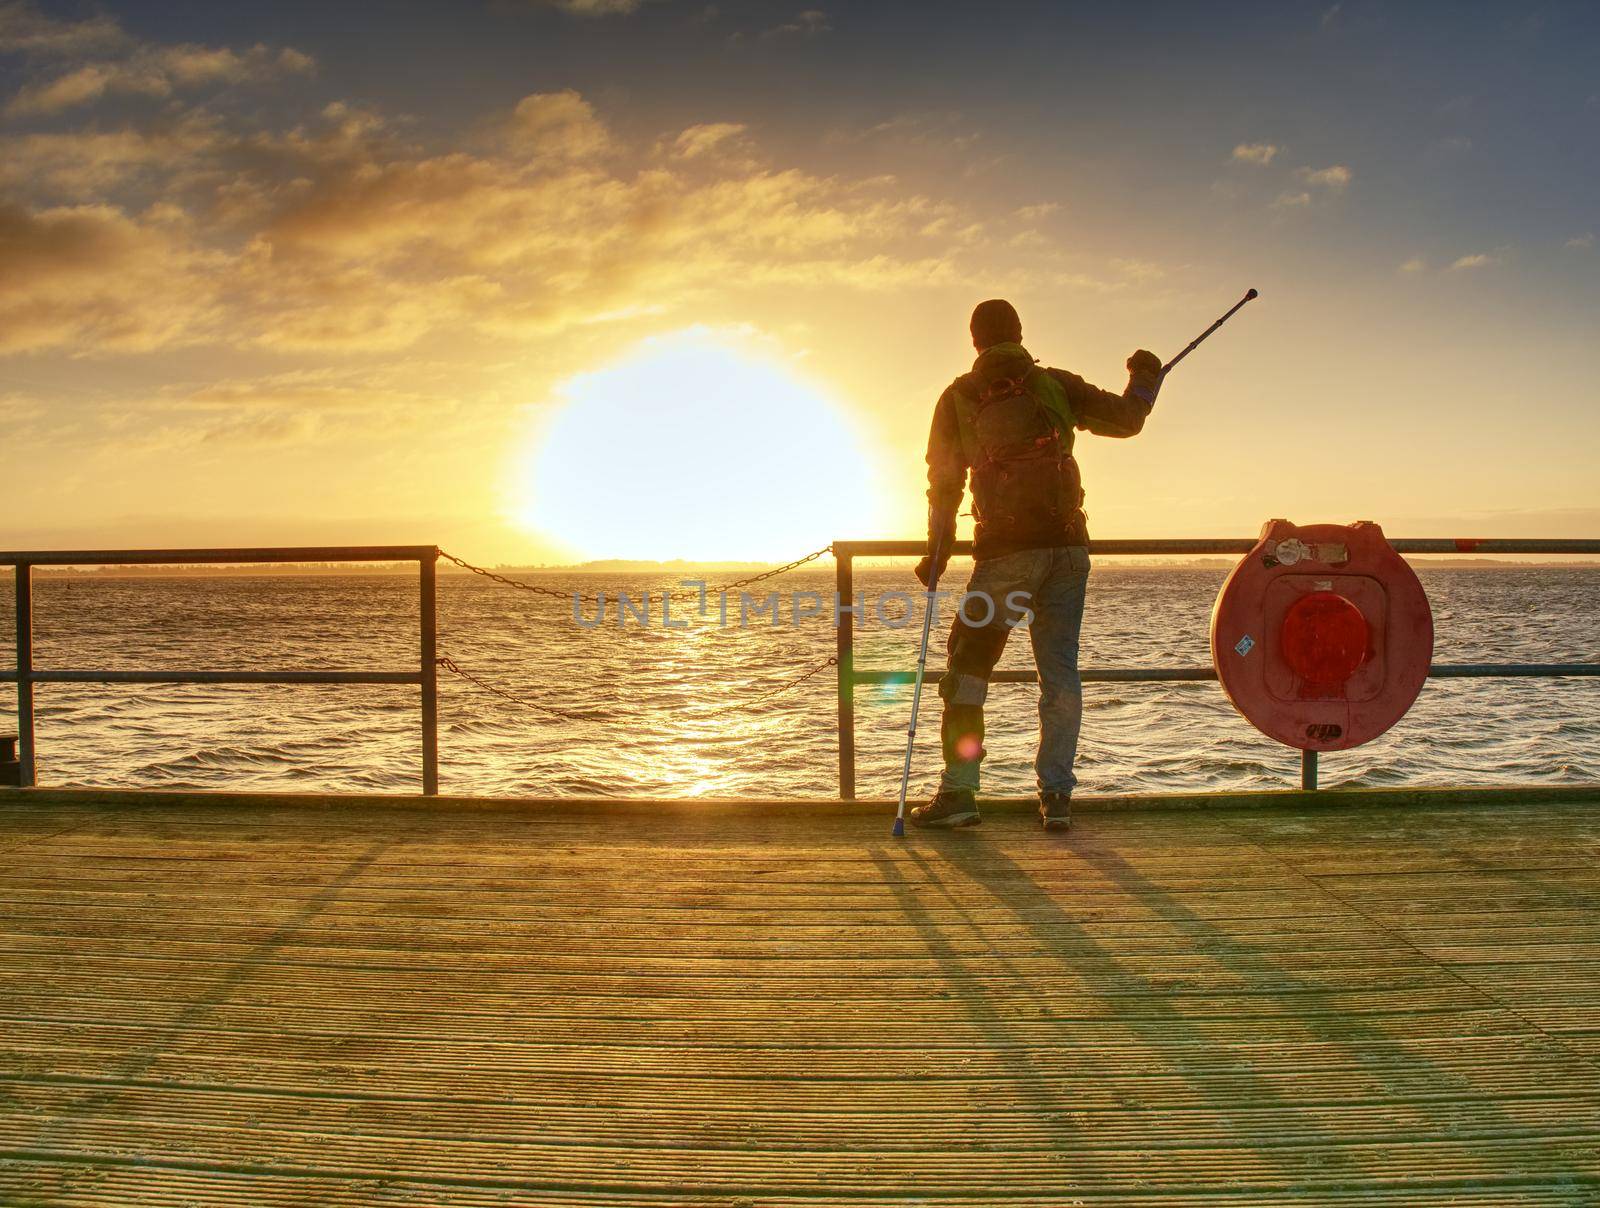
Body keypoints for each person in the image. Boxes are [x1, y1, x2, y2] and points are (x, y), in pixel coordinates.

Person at [910, 299, 1161, 831]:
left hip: (1004, 555)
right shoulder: (1055, 385)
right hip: (1069, 552)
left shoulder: (958, 396)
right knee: (1060, 674)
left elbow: (944, 481)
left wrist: (937, 550)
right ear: (1020, 334)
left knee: (968, 671)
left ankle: (959, 793)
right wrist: (1145, 376)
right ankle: (1057, 798)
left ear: (974, 340)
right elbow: (1127, 420)